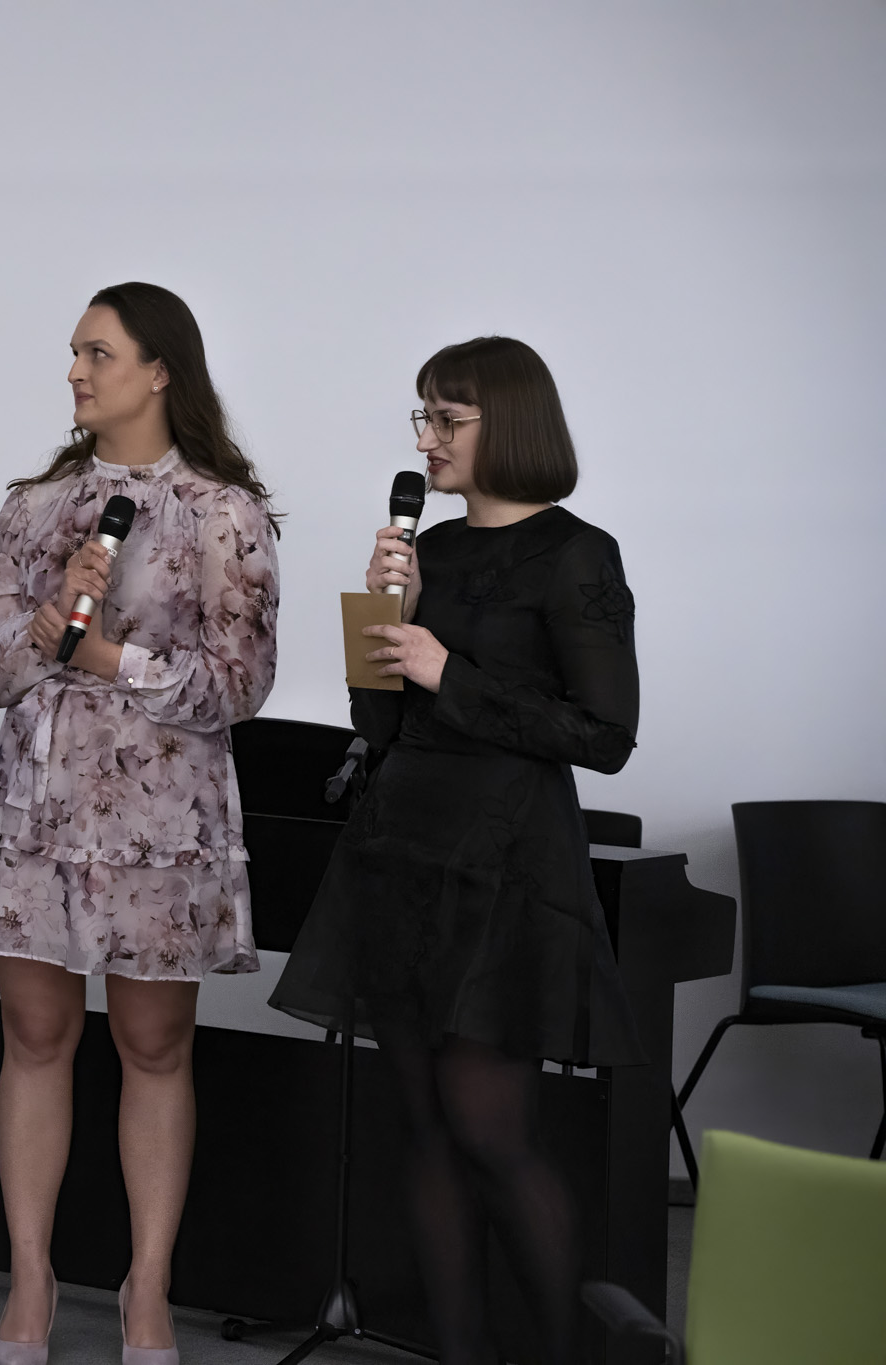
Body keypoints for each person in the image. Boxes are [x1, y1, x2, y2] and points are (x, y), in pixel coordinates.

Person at [269, 336, 642, 1365]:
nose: (425, 439)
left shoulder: (576, 554)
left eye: (446, 418)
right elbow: (380, 724)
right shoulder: (428, 549)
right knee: (424, 1129)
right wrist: (382, 622)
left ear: (505, 424)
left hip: (505, 874)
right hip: (398, 859)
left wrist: (448, 670)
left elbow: (605, 735)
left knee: (489, 1130)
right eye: (421, 416)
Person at [0, 282, 280, 1365]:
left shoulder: (223, 513)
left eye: (98, 353)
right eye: (75, 353)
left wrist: (109, 659)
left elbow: (240, 685)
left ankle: (148, 1287)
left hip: (158, 817)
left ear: (159, 370)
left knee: (153, 1044)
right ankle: (29, 1278)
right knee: (34, 1035)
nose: (76, 372)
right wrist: (49, 622)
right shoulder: (35, 507)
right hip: (37, 807)